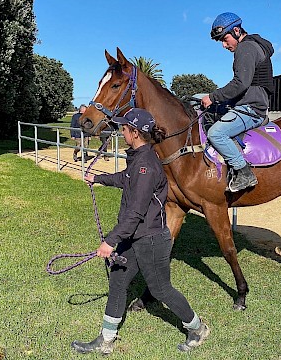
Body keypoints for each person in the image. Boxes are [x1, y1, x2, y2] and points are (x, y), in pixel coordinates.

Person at [72, 108, 209, 355]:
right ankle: (106, 339)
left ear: (134, 133)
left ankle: (197, 328)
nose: (121, 131)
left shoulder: (145, 165)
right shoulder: (139, 158)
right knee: (118, 282)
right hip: (134, 237)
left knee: (160, 289)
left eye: (125, 128)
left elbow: (136, 212)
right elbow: (126, 178)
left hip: (150, 239)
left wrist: (110, 241)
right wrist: (98, 178)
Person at [202, 12, 274, 193]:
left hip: (251, 109)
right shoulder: (254, 46)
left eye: (225, 39)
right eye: (221, 42)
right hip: (249, 104)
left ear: (236, 30)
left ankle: (243, 172)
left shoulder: (246, 48)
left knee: (216, 133)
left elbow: (240, 83)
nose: (224, 45)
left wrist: (213, 96)